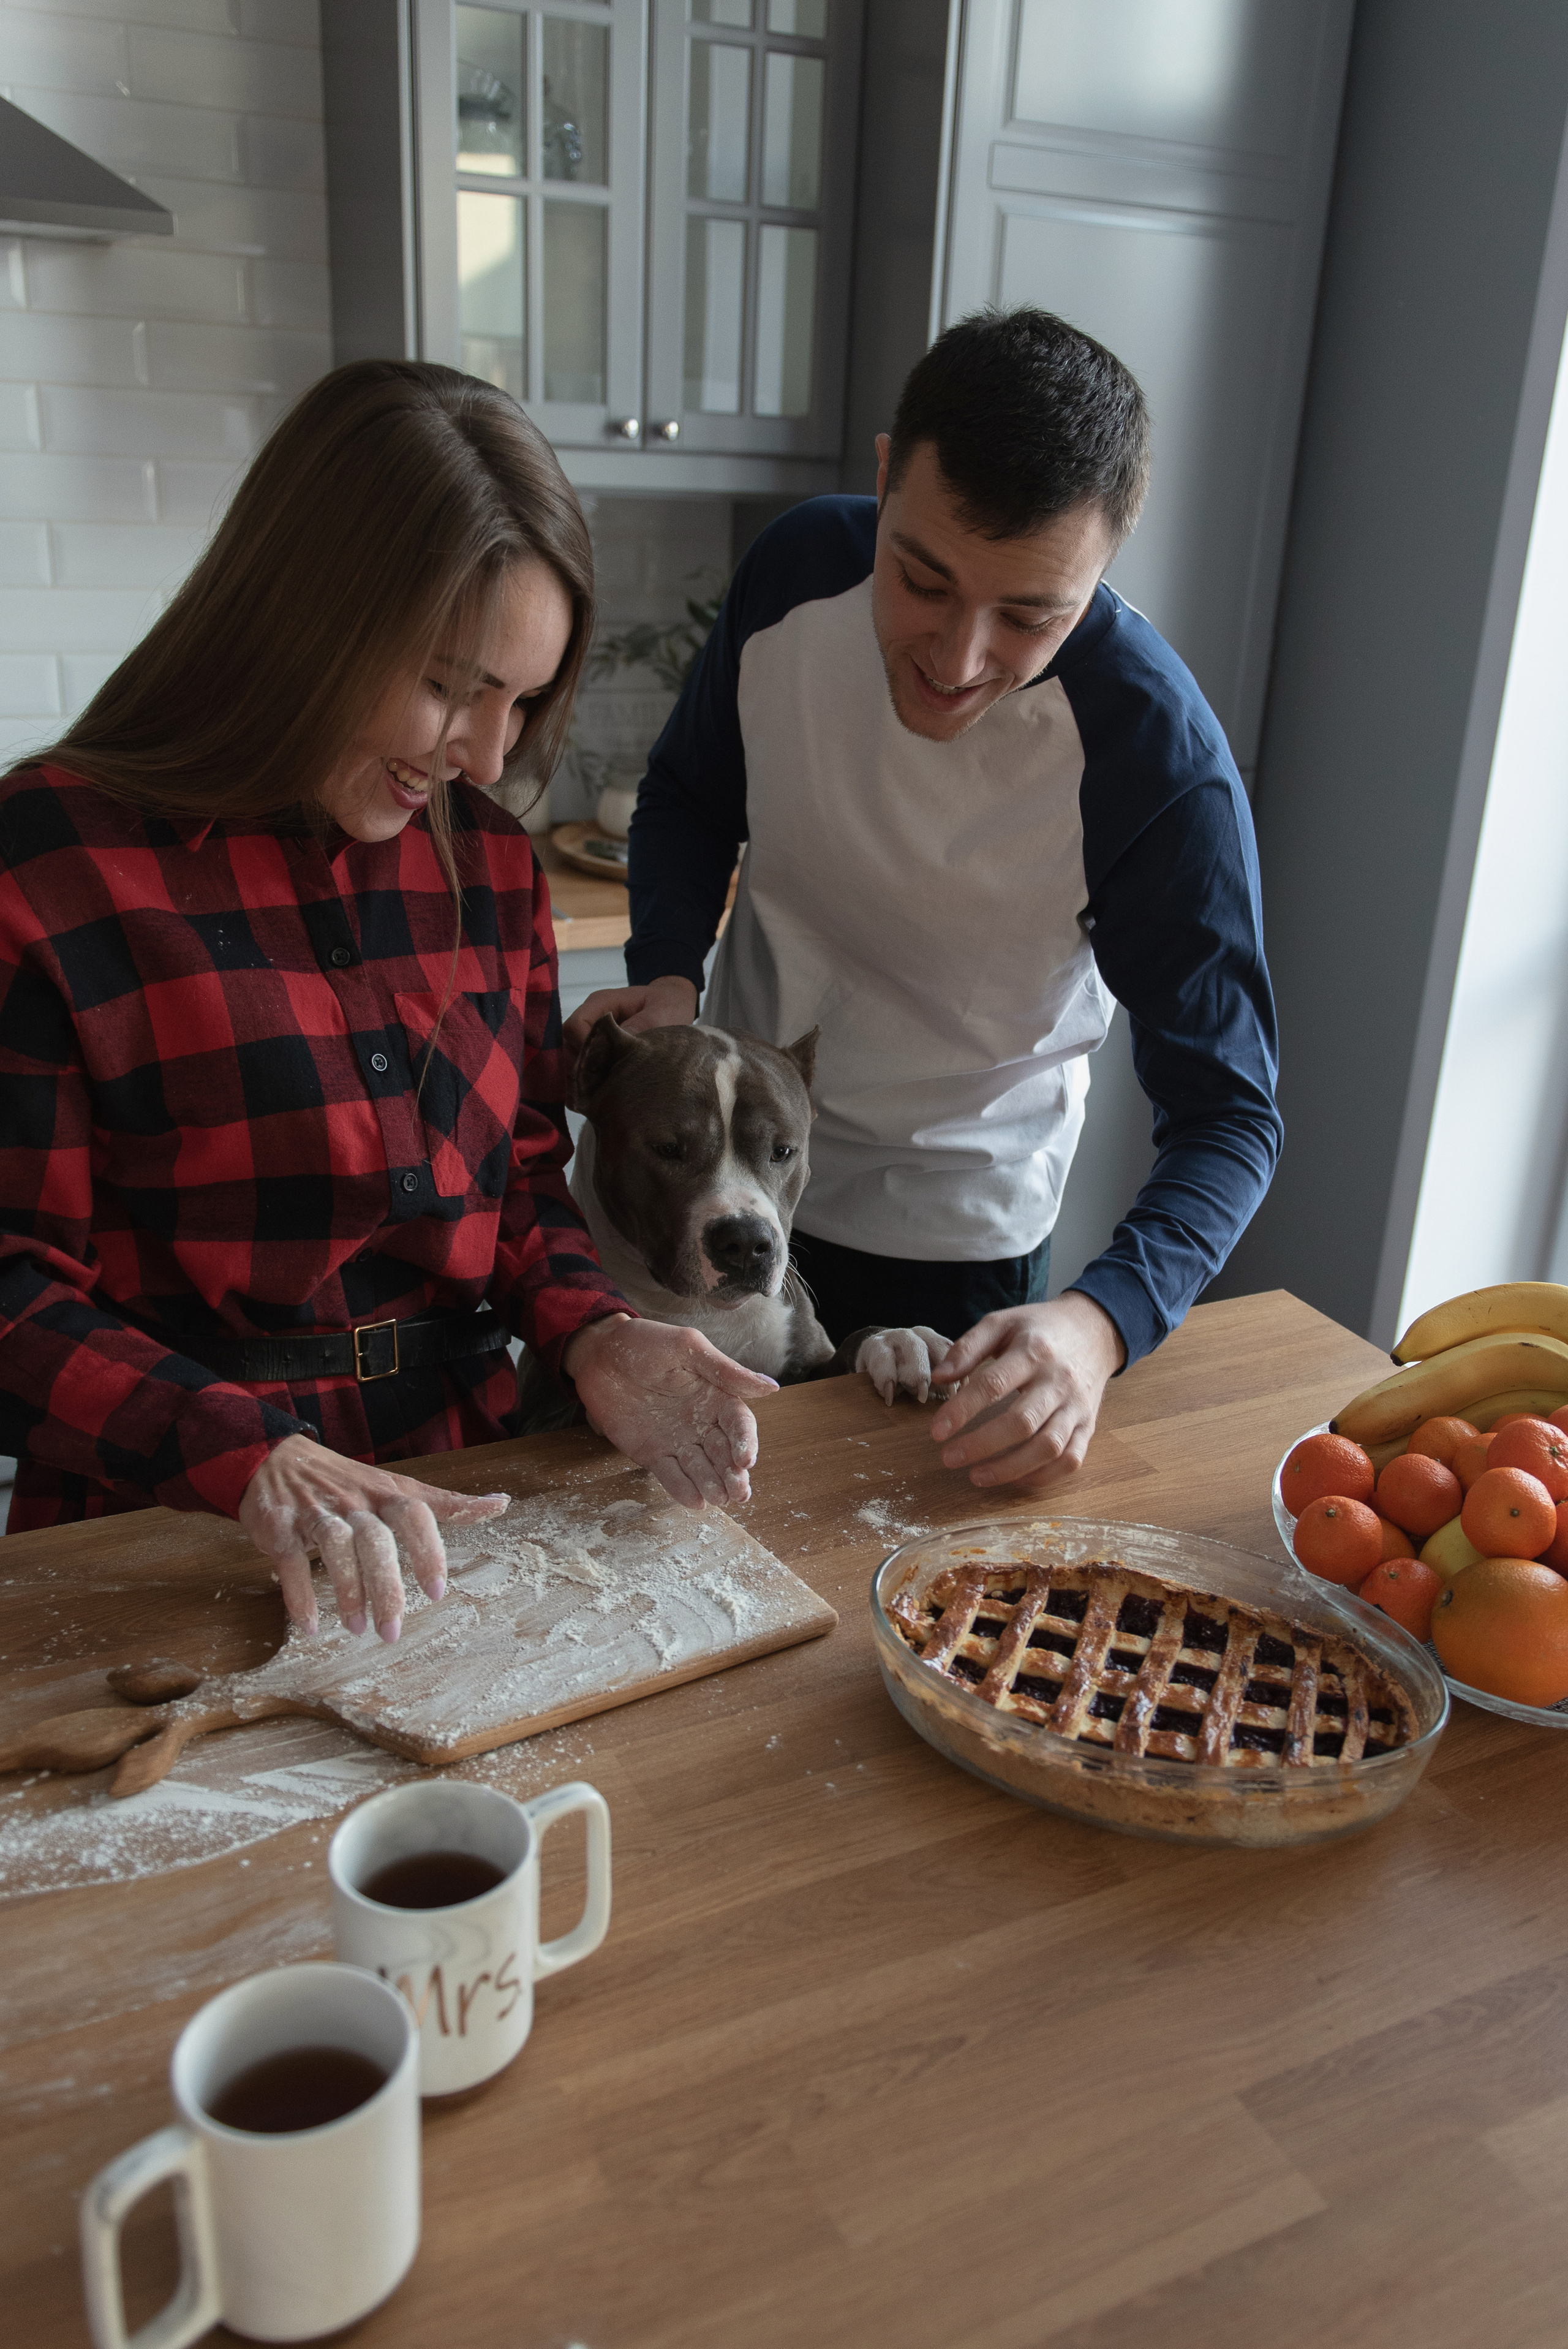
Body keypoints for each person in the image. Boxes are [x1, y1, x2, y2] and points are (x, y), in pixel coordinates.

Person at [0, 360, 774, 1640]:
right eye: (450, 683)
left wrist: (591, 1335)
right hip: (163, 1533)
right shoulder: (51, 865)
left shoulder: (491, 868)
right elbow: (14, 1285)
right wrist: (244, 1451)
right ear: (300, 612)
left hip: (461, 1502)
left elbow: (518, 1177)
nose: (485, 755)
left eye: (521, 702)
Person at [565, 309, 1283, 1491]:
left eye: (1031, 615)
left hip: (955, 1237)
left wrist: (1099, 1324)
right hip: (707, 1173)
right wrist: (670, 979)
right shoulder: (797, 575)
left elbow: (1232, 1114)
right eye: (924, 579)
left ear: (1107, 566)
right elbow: (691, 794)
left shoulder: (1157, 762)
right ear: (887, 473)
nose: (957, 657)